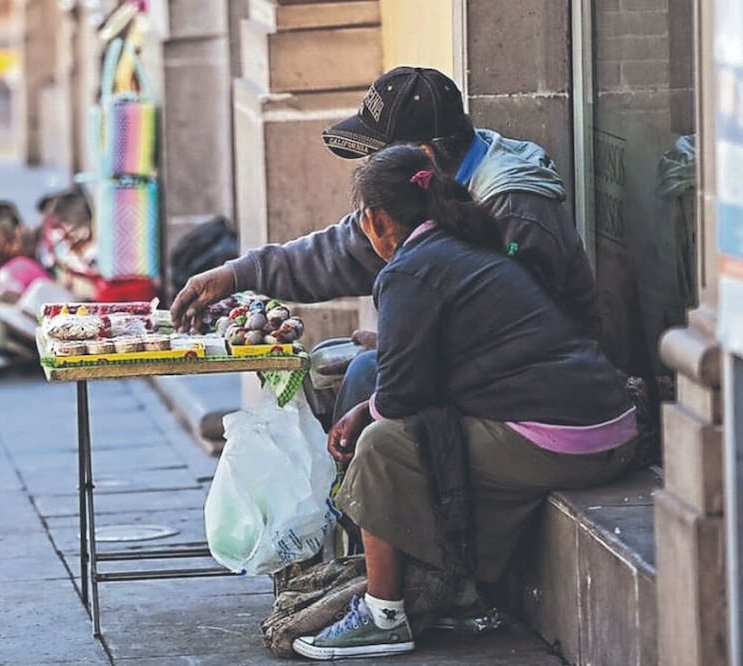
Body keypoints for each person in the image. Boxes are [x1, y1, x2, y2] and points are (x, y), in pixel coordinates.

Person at [287, 145, 636, 661]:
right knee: (412, 429)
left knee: (382, 446)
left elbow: (403, 397)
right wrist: (371, 403)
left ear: (374, 219)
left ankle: (384, 614)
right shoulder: (466, 244)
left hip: (566, 438)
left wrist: (366, 413)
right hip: (609, 427)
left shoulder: (410, 269)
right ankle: (457, 593)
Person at [170, 66, 598, 423]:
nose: (371, 169)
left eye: (379, 157)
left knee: (364, 379)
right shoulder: (428, 188)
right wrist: (238, 274)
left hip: (541, 389)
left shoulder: (514, 206)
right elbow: (344, 249)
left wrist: (411, 349)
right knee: (322, 367)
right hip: (475, 361)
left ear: (423, 155)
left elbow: (524, 331)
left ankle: (370, 521)